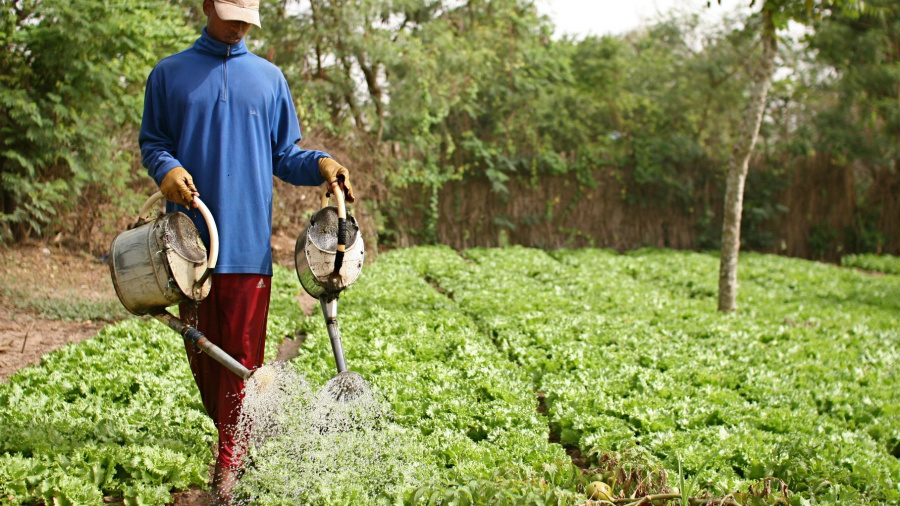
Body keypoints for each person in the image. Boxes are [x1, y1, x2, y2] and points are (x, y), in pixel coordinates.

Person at [138, 0, 355, 501]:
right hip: (189, 245)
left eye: (246, 19)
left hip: (248, 247)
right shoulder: (169, 75)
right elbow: (153, 142)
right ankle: (237, 435)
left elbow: (285, 155)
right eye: (232, 15)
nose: (239, 27)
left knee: (239, 359)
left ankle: (230, 462)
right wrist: (166, 169)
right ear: (210, 6)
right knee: (202, 356)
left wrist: (321, 163)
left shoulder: (269, 79)